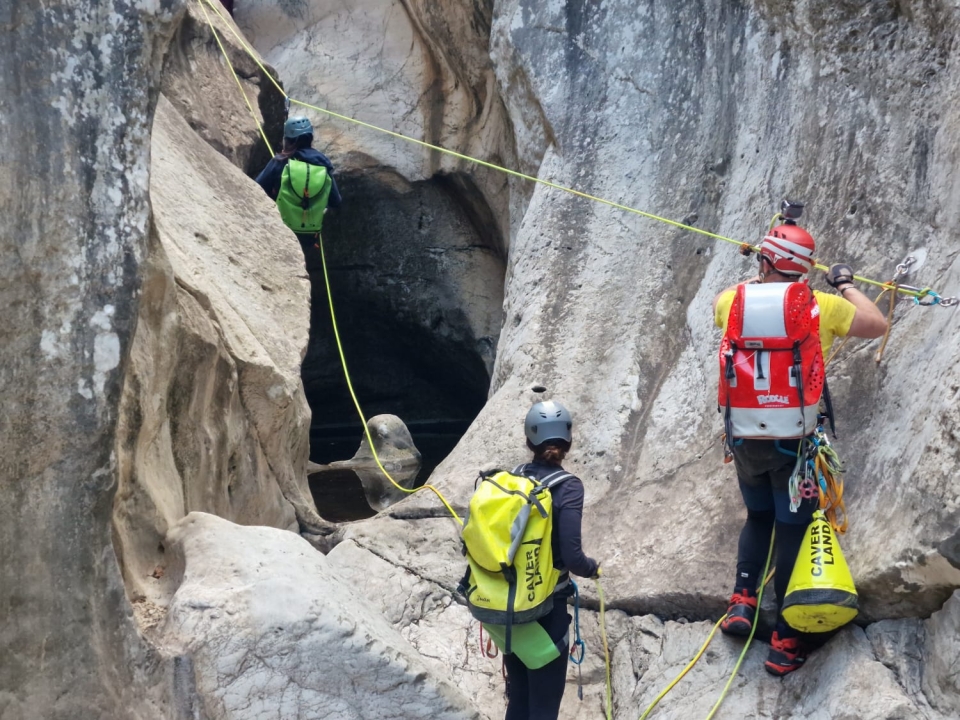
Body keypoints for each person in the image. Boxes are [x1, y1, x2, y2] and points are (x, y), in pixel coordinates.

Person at [712, 218, 888, 676]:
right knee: (792, 531)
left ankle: (742, 603)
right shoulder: (821, 305)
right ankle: (786, 640)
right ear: (805, 271)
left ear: (766, 261)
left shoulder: (733, 300)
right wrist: (845, 283)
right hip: (796, 446)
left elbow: (728, 303)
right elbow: (876, 323)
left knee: (757, 517)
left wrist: (760, 270)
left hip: (746, 438)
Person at [501, 400, 600, 720]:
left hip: (508, 607)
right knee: (543, 709)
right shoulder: (569, 488)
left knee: (518, 699)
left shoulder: (511, 479)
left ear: (530, 440)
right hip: (546, 610)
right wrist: (593, 569)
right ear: (568, 441)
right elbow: (573, 556)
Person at [255, 116, 342, 255]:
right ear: (310, 138)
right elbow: (336, 201)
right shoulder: (323, 165)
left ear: (287, 139)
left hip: (280, 228)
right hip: (309, 235)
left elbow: (255, 189)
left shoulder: (280, 162)